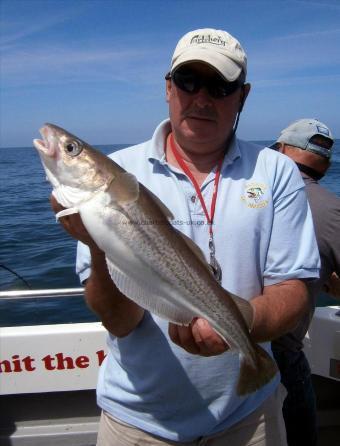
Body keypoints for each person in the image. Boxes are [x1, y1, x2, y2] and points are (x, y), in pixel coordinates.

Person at [51, 29, 320, 446]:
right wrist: (94, 244)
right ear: (168, 88)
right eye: (188, 82)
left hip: (249, 420)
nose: (202, 98)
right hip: (136, 424)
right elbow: (122, 323)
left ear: (242, 96)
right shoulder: (121, 172)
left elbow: (295, 291)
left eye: (220, 86)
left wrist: (239, 322)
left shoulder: (275, 171)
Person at [271, 118, 340, 446]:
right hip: (283, 354)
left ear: (281, 150)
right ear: (325, 163)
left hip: (222, 339)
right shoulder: (332, 210)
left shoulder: (238, 197)